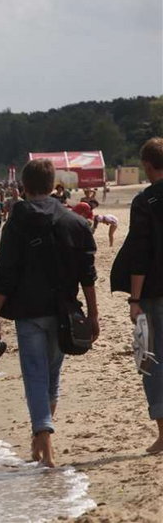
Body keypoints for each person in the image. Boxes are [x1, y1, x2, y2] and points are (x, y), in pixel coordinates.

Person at [0, 159, 99, 467]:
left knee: (35, 376)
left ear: (23, 186)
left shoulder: (17, 223)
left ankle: (44, 442)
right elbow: (87, 274)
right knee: (52, 375)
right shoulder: (74, 222)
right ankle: (41, 441)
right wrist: (92, 313)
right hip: (64, 310)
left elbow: (5, 273)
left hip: (28, 312)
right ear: (52, 185)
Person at [110, 137, 163, 454]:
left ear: (146, 165)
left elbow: (140, 254)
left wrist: (134, 298)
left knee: (153, 361)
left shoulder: (146, 201)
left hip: (155, 292)